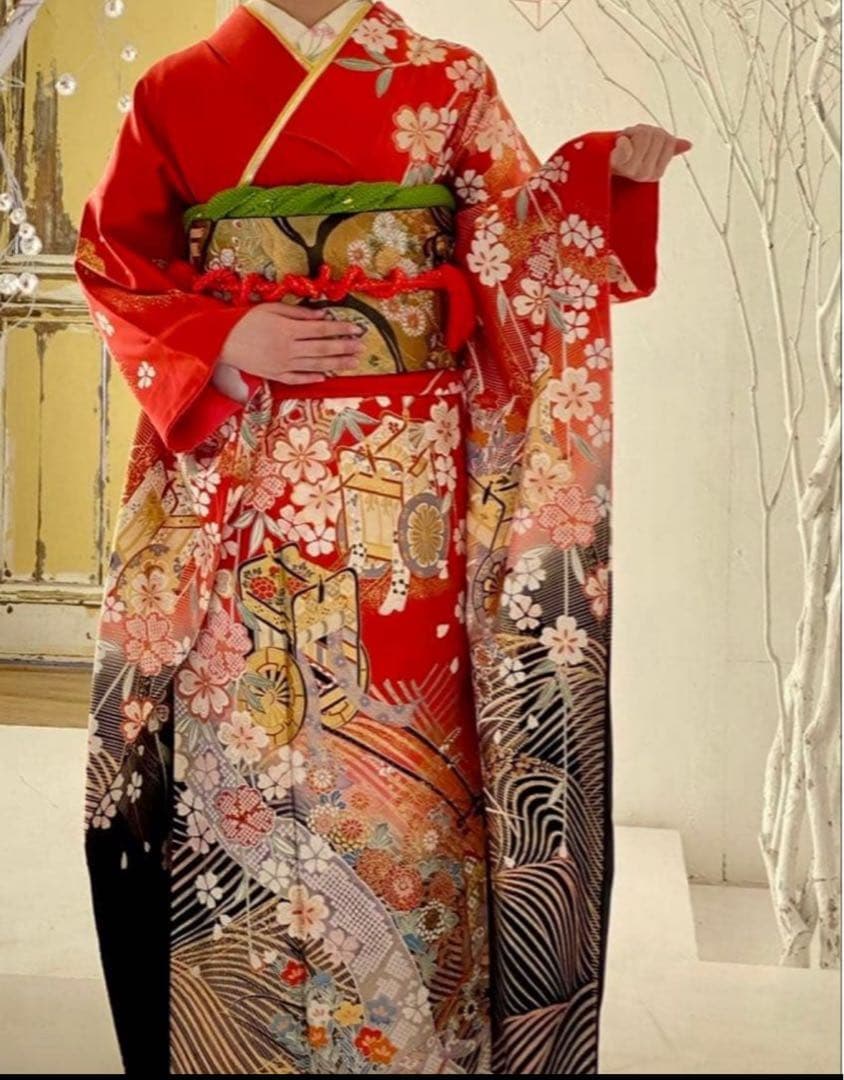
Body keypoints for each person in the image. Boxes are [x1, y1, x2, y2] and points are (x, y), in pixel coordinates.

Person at [74, 0, 689, 1074]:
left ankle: (414, 1044)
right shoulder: (176, 91)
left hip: (409, 496)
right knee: (243, 742)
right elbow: (113, 260)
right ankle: (239, 1041)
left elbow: (515, 241)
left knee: (407, 760)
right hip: (251, 480)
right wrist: (224, 335)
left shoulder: (448, 79)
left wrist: (604, 177)